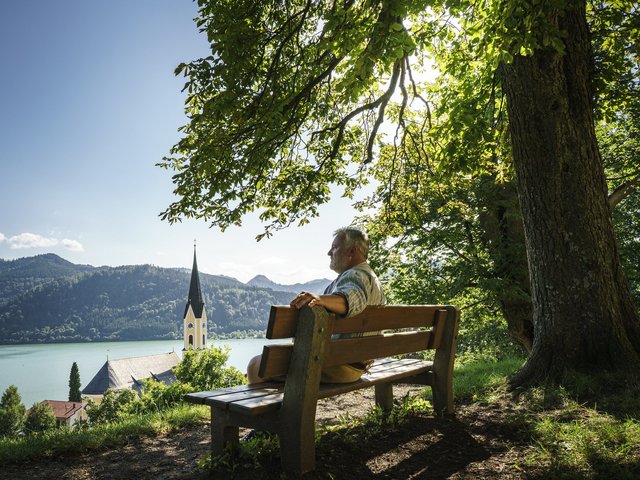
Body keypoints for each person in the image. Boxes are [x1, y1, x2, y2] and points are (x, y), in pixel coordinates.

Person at [246, 226, 386, 384]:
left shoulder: (355, 275)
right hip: (357, 365)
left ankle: (283, 409)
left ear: (351, 252)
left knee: (255, 366)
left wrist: (319, 299)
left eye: (334, 248)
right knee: (271, 365)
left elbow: (352, 300)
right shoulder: (373, 278)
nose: (329, 253)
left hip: (338, 366)